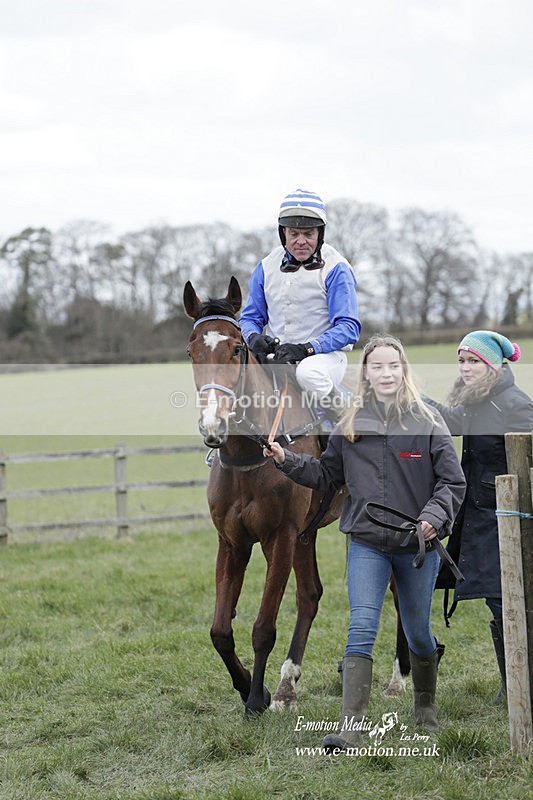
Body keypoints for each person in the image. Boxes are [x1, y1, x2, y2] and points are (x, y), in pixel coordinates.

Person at [264, 335, 466, 749]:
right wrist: (288, 461)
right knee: (361, 626)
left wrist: (432, 519)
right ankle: (352, 728)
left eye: (393, 365)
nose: (386, 373)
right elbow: (326, 476)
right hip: (368, 542)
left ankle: (425, 708)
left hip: (418, 547)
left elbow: (452, 481)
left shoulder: (428, 421)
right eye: (377, 366)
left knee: (418, 632)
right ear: (366, 374)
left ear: (403, 370)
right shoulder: (350, 423)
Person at [426, 330, 533, 703]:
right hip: (481, 516)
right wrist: (414, 398)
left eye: (474, 361)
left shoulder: (515, 405)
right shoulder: (478, 401)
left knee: (507, 598)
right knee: (496, 596)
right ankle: (511, 685)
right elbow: (452, 422)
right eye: (462, 361)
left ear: (493, 364)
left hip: (509, 515)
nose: (466, 368)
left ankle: (518, 684)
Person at [239, 189, 361, 419]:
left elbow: (348, 328)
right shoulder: (265, 266)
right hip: (278, 357)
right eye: (294, 233)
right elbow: (250, 318)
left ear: (320, 233)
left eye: (308, 233)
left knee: (308, 373)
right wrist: (253, 337)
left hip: (324, 359)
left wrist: (306, 349)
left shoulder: (337, 268)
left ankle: (348, 418)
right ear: (282, 233)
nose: (301, 241)